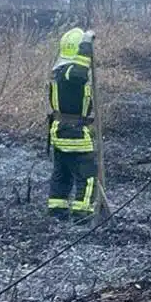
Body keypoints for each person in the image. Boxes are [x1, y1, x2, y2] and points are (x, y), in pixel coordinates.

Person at [46, 26, 100, 222]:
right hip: (75, 133)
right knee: (88, 175)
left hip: (60, 133)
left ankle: (57, 210)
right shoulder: (70, 72)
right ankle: (82, 213)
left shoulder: (59, 71)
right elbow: (80, 74)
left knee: (63, 174)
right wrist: (86, 44)